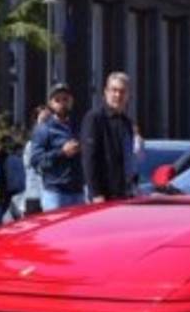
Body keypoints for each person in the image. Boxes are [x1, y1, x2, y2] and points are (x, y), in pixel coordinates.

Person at [82, 71, 136, 202]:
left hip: (125, 193)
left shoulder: (127, 122)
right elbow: (89, 159)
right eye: (114, 90)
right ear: (106, 92)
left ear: (128, 95)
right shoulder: (95, 118)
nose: (118, 95)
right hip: (104, 196)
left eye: (122, 91)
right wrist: (95, 193)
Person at [31, 83, 85, 210]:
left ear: (71, 101)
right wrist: (62, 152)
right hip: (55, 193)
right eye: (57, 100)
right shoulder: (44, 128)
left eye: (65, 99)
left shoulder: (78, 126)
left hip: (78, 191)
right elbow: (36, 161)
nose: (62, 103)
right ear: (50, 103)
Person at [21, 106, 51, 215]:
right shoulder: (32, 145)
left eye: (49, 120)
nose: (47, 124)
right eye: (43, 120)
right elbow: (38, 167)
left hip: (51, 196)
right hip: (36, 195)